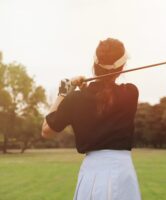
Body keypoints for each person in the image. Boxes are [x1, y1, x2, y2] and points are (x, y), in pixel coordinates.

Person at [41, 38, 141, 200]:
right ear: (121, 68)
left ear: (94, 65)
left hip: (91, 173)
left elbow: (46, 130)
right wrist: (85, 93)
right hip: (123, 173)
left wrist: (63, 92)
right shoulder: (131, 92)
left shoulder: (76, 99)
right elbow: (103, 101)